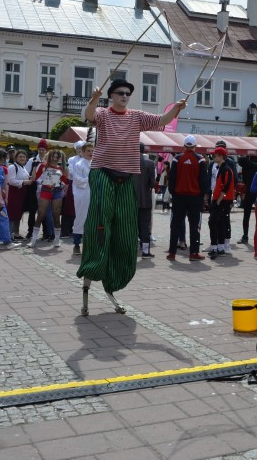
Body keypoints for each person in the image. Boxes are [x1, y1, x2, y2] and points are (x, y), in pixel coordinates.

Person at [78, 79, 184, 315]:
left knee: (126, 231)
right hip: (103, 173)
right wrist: (94, 98)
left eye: (128, 93)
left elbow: (161, 121)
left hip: (127, 177)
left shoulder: (136, 116)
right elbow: (89, 114)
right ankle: (92, 267)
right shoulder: (103, 114)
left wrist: (176, 108)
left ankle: (114, 280)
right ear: (112, 96)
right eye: (120, 93)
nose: (125, 96)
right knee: (101, 225)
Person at [166, 135, 208, 261]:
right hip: (195, 197)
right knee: (194, 226)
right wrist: (203, 195)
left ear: (184, 146)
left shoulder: (177, 159)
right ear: (195, 146)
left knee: (175, 224)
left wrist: (173, 192)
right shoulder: (200, 159)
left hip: (179, 196)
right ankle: (193, 253)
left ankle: (172, 252)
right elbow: (203, 180)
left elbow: (171, 177)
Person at [27, 150, 67, 248]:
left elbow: (66, 182)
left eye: (57, 157)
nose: (54, 159)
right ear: (50, 157)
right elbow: (34, 179)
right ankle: (33, 240)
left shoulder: (62, 168)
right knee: (40, 214)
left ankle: (57, 240)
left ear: (60, 158)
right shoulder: (43, 166)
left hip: (57, 191)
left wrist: (64, 189)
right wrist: (35, 167)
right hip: (45, 190)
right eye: (53, 156)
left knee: (56, 216)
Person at [208, 146, 235, 259]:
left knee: (214, 222)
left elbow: (226, 186)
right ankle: (219, 246)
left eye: (215, 155)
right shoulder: (221, 168)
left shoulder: (226, 169)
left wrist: (218, 200)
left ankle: (216, 246)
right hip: (221, 200)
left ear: (220, 156)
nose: (213, 157)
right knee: (219, 223)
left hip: (222, 201)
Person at [25, 140, 52, 241]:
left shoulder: (48, 162)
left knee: (43, 211)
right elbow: (26, 173)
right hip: (33, 188)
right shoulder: (32, 160)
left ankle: (45, 232)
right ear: (37, 150)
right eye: (40, 149)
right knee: (32, 211)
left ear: (46, 151)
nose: (41, 151)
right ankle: (30, 232)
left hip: (45, 189)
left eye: (43, 150)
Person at [135, 144, 156, 259]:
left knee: (131, 226)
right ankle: (145, 251)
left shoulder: (128, 162)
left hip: (130, 200)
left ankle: (130, 248)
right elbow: (152, 184)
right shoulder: (150, 163)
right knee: (145, 226)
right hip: (145, 199)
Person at [71, 142, 92, 255]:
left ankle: (90, 244)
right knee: (81, 217)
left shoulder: (95, 164)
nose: (90, 153)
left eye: (92, 151)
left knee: (92, 218)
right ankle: (76, 244)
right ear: (83, 152)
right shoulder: (79, 165)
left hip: (93, 194)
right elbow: (77, 180)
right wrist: (90, 179)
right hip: (82, 195)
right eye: (88, 151)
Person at [5, 150, 31, 239]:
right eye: (20, 156)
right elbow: (10, 181)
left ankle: (16, 233)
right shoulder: (13, 167)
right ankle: (9, 233)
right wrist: (24, 182)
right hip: (13, 193)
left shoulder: (23, 168)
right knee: (12, 213)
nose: (22, 158)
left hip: (21, 194)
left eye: (24, 157)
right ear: (16, 158)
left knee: (18, 213)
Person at [237, 155, 257, 244]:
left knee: (246, 216)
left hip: (249, 193)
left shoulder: (245, 168)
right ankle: (256, 236)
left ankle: (245, 235)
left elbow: (245, 181)